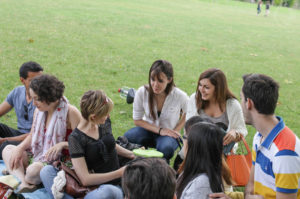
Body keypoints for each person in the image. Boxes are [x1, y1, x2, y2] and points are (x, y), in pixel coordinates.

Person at [40, 90, 135, 199]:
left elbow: (110, 144)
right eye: (105, 114)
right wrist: (119, 173)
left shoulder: (104, 123)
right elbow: (85, 179)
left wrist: (132, 154)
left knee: (108, 191)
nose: (108, 115)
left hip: (114, 186)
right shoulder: (76, 139)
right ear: (93, 117)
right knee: (45, 172)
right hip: (93, 187)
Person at [2, 74, 81, 192]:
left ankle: (21, 175)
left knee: (32, 171)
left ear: (48, 97)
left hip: (59, 161)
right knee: (8, 149)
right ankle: (25, 183)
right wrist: (19, 148)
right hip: (38, 155)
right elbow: (32, 135)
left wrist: (63, 144)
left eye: (36, 99)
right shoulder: (39, 111)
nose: (33, 103)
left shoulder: (71, 112)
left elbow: (83, 144)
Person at [240, 74, 300, 199]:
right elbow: (250, 188)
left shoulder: (285, 154)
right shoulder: (260, 136)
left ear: (249, 103)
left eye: (241, 99)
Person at [124, 60, 189, 161]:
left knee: (166, 148)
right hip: (148, 130)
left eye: (160, 81)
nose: (155, 84)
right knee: (128, 137)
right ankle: (140, 162)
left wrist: (176, 130)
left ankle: (161, 168)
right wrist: (160, 130)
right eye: (152, 79)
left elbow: (190, 112)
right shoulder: (142, 92)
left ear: (169, 80)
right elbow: (137, 120)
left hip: (169, 134)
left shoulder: (180, 96)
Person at [186, 68, 247, 147]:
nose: (201, 90)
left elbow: (242, 130)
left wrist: (235, 133)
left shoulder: (233, 105)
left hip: (222, 152)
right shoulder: (194, 99)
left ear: (218, 89)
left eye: (206, 87)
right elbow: (188, 129)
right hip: (197, 149)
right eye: (200, 85)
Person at [0, 61, 43, 159]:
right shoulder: (17, 92)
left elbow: (35, 134)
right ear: (22, 80)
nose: (39, 84)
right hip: (20, 134)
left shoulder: (43, 100)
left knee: (4, 147)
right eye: (33, 80)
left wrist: (5, 140)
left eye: (41, 79)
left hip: (34, 139)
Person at [176, 122, 224, 199]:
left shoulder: (201, 183)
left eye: (185, 137)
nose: (183, 141)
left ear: (194, 147)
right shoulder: (190, 173)